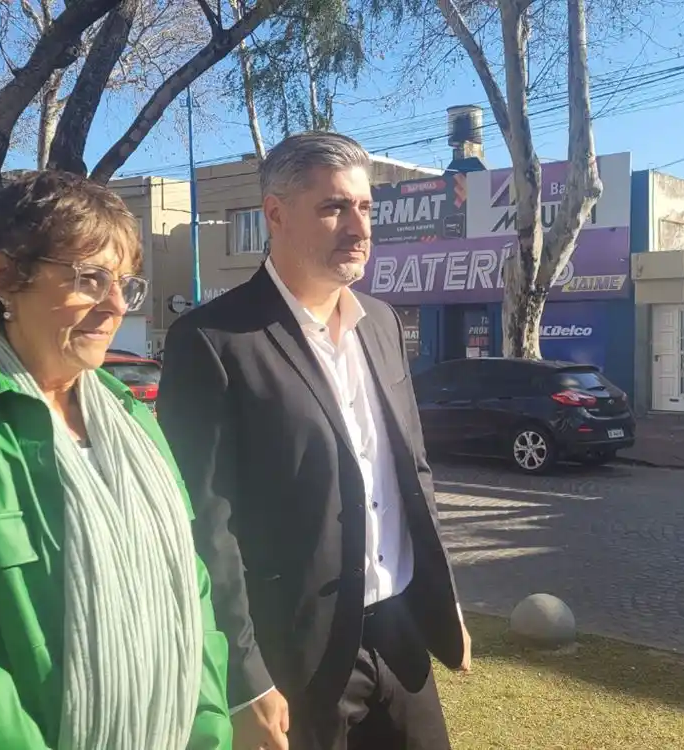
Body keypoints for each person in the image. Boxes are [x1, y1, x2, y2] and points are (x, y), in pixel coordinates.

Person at [0, 171, 232, 750]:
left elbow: (193, 591)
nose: (114, 305)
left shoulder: (134, 423)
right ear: (4, 276)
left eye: (125, 284)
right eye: (89, 279)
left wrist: (210, 728)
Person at [156, 132, 471, 750]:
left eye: (365, 207)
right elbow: (203, 527)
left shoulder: (380, 322)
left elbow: (413, 471)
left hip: (402, 632)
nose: (358, 226)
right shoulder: (213, 341)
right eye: (334, 207)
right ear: (275, 213)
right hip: (295, 656)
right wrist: (244, 679)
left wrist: (445, 599)